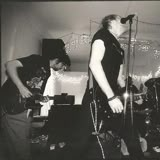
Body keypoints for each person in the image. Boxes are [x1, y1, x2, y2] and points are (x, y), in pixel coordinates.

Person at [73, 14, 144, 160]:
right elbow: (94, 64)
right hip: (96, 97)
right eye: (120, 19)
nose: (123, 21)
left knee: (130, 132)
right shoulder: (102, 35)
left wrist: (131, 96)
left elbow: (119, 78)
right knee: (81, 141)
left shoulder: (120, 49)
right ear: (110, 22)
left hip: (113, 98)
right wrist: (110, 96)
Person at [0, 50, 71, 160]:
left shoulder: (47, 72)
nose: (63, 70)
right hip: (11, 102)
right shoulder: (38, 60)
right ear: (57, 61)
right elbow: (10, 64)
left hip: (21, 107)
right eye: (63, 66)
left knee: (12, 144)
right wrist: (20, 87)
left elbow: (33, 90)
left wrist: (41, 97)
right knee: (21, 147)